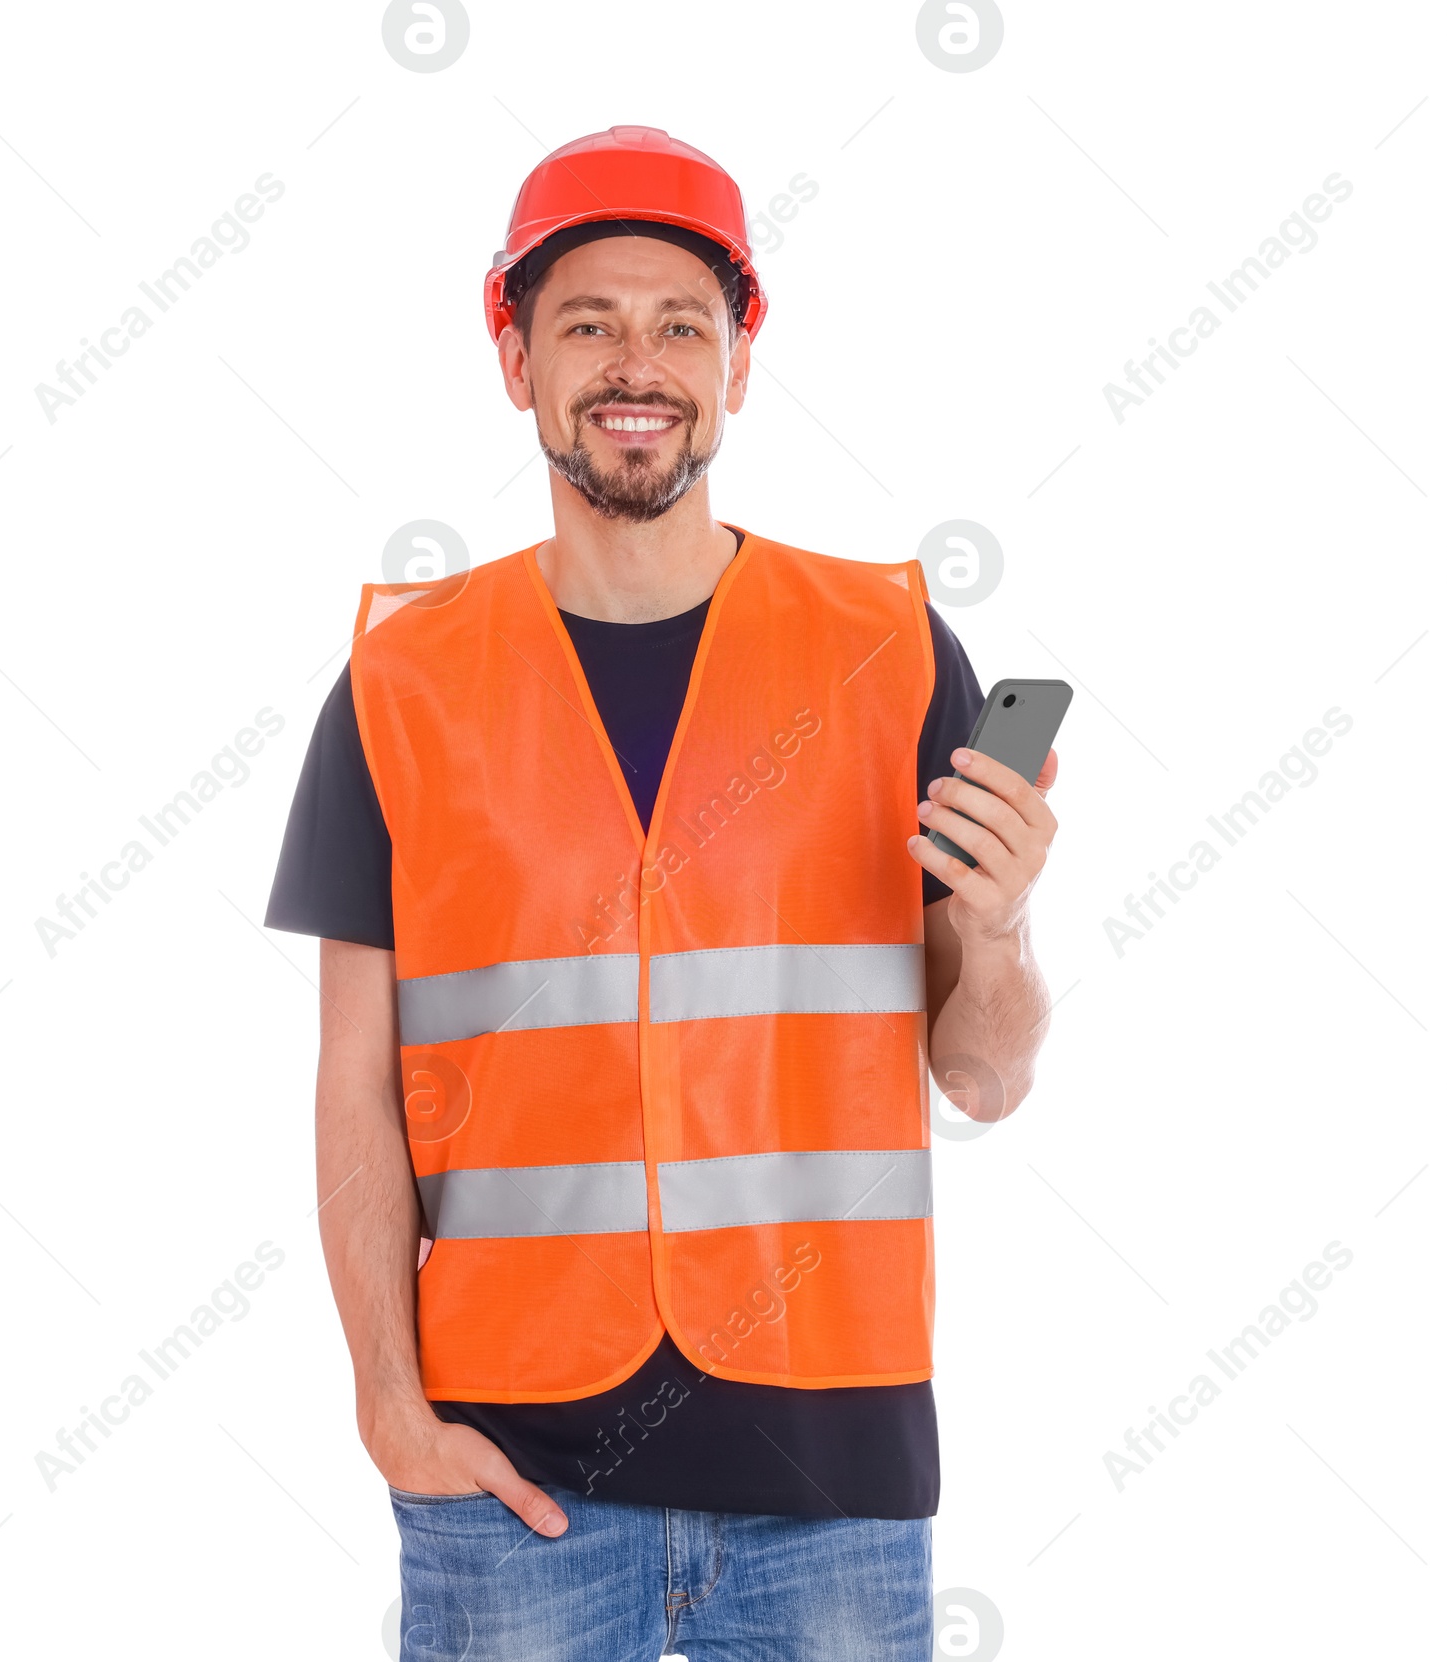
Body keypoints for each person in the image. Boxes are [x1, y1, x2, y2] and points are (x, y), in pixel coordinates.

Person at [265, 125, 1060, 1662]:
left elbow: (984, 1073)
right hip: (513, 1470)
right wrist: (388, 1409)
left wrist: (1002, 928)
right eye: (588, 324)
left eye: (682, 324)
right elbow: (351, 1081)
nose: (639, 364)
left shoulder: (893, 653)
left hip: (833, 1464)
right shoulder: (403, 685)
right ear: (515, 360)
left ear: (741, 364)